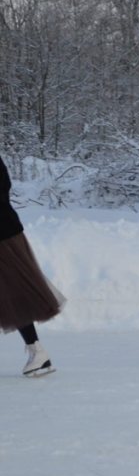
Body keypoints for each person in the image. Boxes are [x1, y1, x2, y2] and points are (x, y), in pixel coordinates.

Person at [1, 154, 62, 377]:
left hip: (4, 236)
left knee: (14, 294)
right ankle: (38, 352)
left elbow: (2, 190)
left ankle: (38, 352)